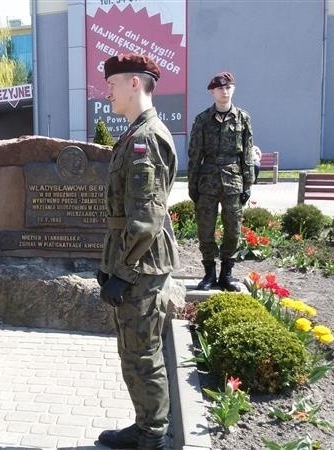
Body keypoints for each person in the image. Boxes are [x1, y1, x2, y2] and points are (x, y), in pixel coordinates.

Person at [95, 53, 180, 450]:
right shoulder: (134, 134)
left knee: (142, 354)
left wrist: (122, 273)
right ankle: (146, 427)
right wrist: (109, 265)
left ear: (134, 83)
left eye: (111, 84)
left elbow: (145, 219)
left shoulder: (145, 138)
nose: (106, 91)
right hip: (134, 261)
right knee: (135, 350)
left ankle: (152, 436)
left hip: (141, 267)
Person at [187, 71, 254, 292]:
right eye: (220, 89)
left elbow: (246, 152)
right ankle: (209, 274)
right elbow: (195, 154)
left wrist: (248, 183)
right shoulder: (202, 120)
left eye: (228, 88)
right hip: (207, 181)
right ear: (212, 92)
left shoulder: (243, 118)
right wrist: (192, 184)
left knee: (233, 229)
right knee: (205, 229)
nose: (224, 92)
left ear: (233, 89)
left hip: (233, 180)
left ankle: (226, 274)